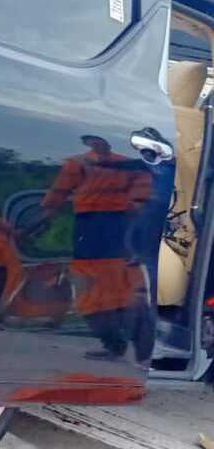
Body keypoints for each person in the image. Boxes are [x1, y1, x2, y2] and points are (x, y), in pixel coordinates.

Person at [41, 135, 153, 360]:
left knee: (93, 289)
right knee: (117, 286)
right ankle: (135, 346)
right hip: (113, 228)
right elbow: (141, 198)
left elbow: (57, 196)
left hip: (95, 228)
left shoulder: (80, 162)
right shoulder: (125, 163)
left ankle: (120, 344)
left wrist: (42, 217)